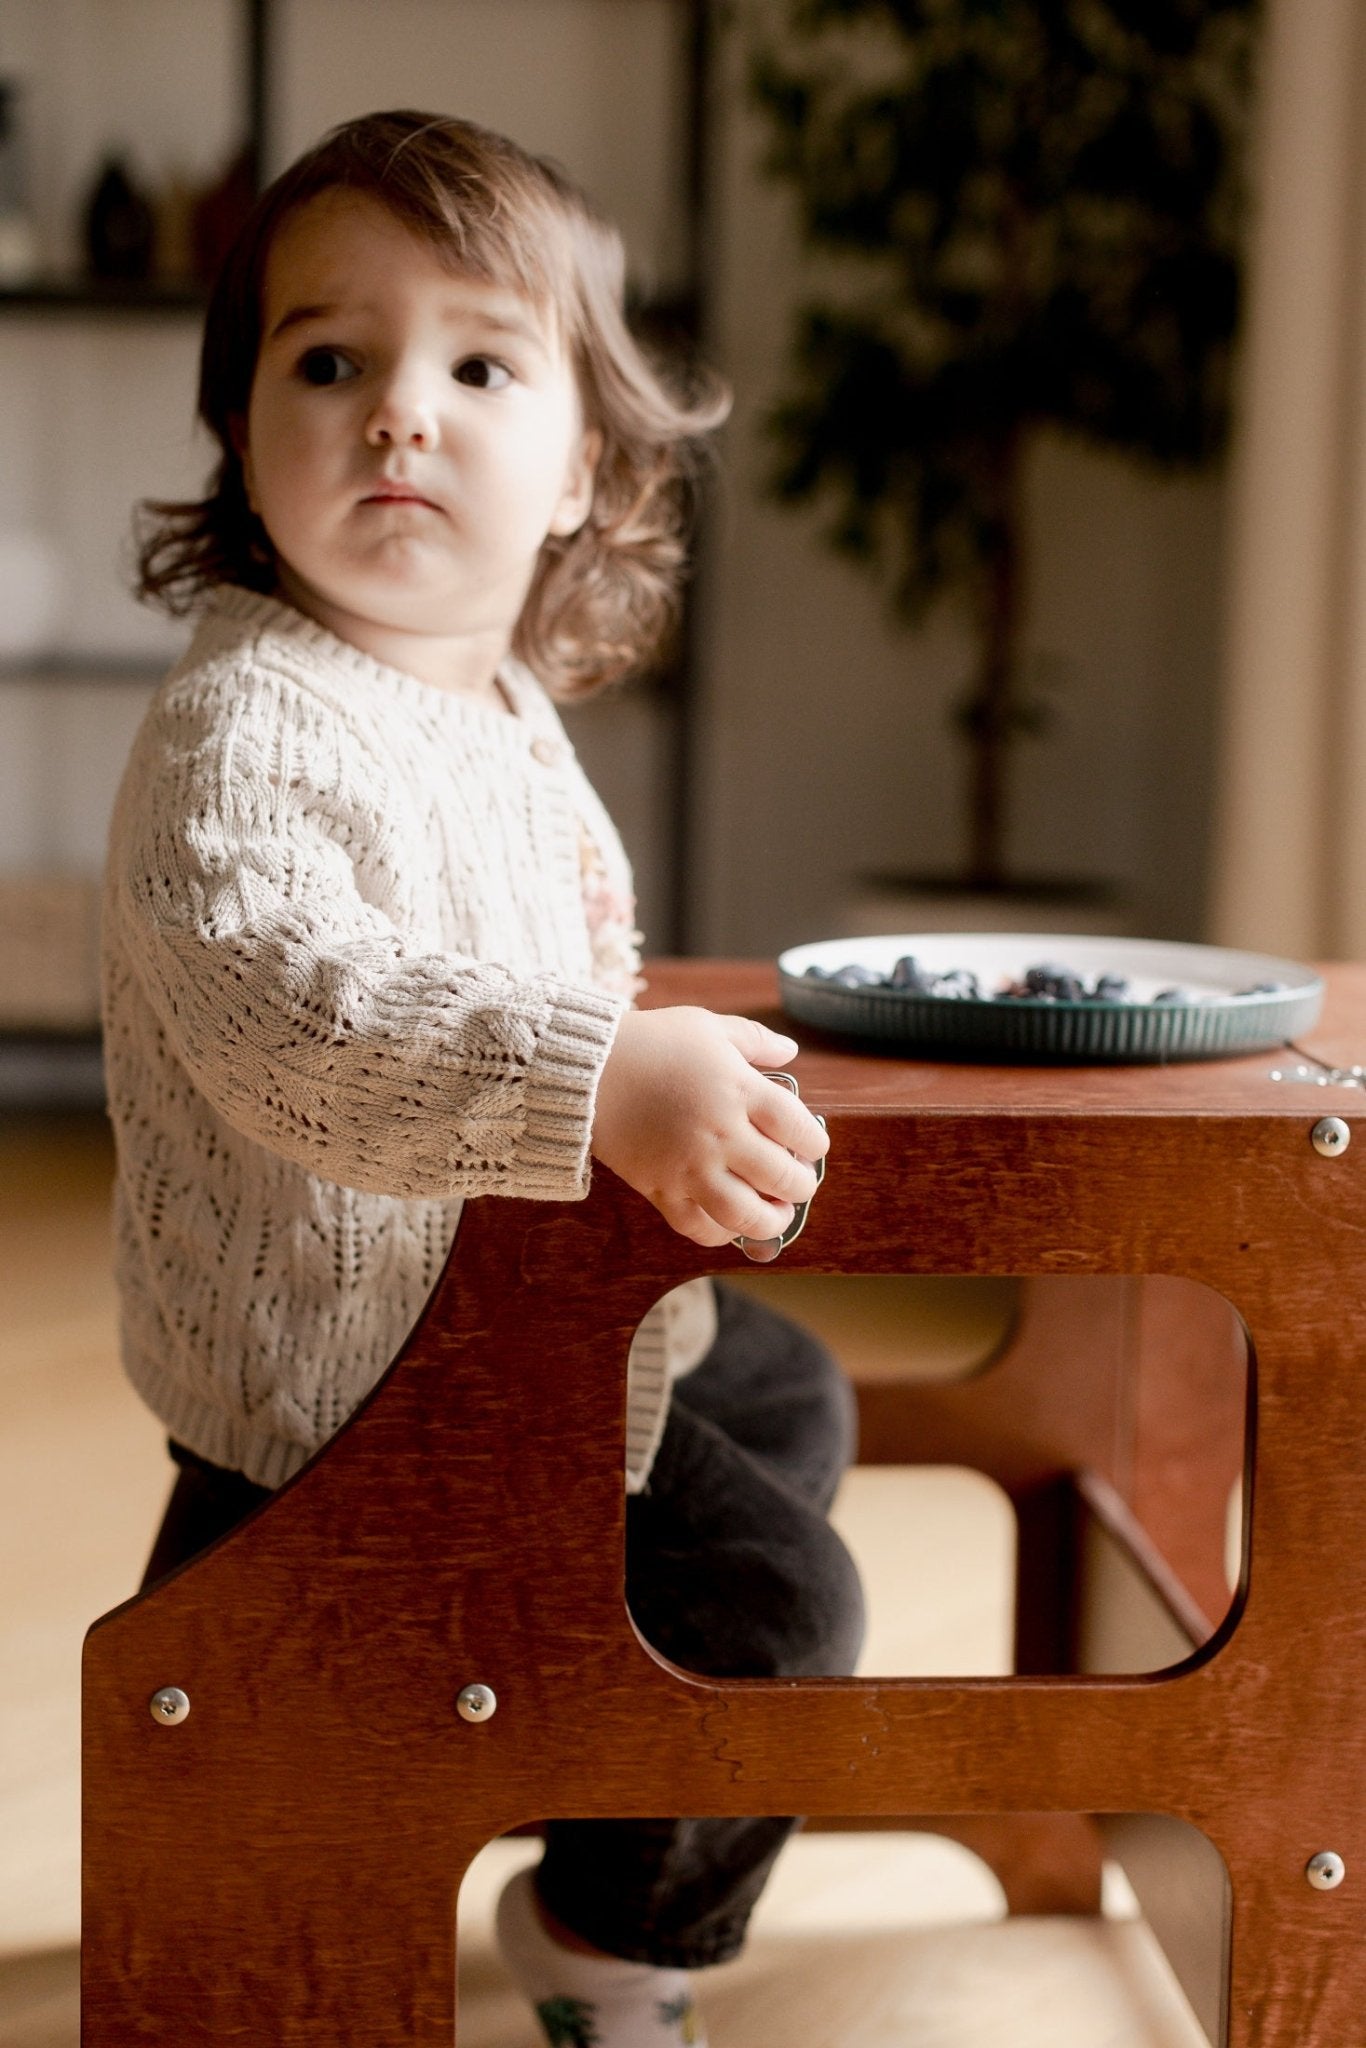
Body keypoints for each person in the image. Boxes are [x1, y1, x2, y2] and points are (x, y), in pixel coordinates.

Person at [104, 109, 864, 2048]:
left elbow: (550, 945)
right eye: (327, 361)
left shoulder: (491, 703)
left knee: (784, 1384)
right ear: (239, 431)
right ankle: (607, 1932)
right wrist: (596, 1071)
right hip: (352, 1374)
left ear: (580, 467)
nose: (397, 413)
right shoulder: (243, 727)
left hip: (508, 1311)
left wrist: (640, 1056)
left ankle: (574, 1708)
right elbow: (301, 1012)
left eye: (478, 366)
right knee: (782, 1612)